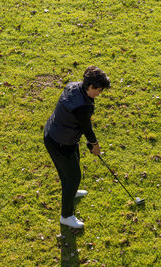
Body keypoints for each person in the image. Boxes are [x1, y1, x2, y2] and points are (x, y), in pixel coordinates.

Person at [43, 66, 110, 228]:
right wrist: (95, 145)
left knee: (71, 170)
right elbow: (87, 127)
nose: (99, 94)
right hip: (61, 143)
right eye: (99, 91)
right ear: (90, 87)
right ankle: (66, 216)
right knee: (72, 178)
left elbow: (80, 124)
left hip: (54, 135)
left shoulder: (74, 86)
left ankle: (71, 192)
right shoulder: (82, 107)